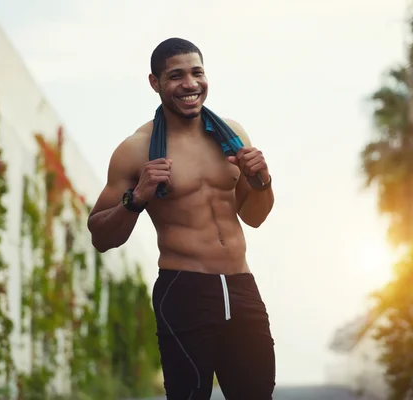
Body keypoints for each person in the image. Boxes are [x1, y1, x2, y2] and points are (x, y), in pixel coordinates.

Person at [87, 37, 276, 399]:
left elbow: (254, 217)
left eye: (197, 72)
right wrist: (136, 198)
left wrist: (262, 181)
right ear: (155, 83)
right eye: (176, 76)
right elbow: (100, 235)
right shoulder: (136, 149)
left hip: (241, 285)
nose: (190, 84)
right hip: (184, 289)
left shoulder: (232, 136)